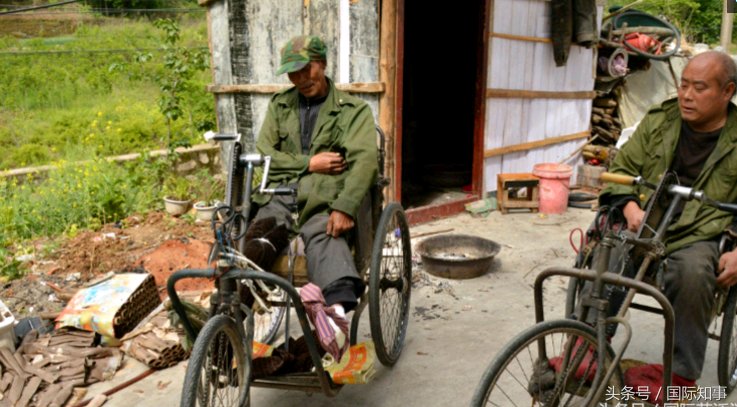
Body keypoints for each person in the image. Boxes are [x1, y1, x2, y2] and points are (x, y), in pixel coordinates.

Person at [573, 51, 737, 403]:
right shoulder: (661, 119)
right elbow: (621, 170)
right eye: (684, 85)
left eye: (700, 88)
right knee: (610, 248)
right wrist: (629, 205)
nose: (687, 95)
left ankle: (680, 375)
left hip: (701, 231)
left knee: (693, 272)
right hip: (648, 219)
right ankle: (587, 346)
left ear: (727, 92)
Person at [243, 35, 378, 357]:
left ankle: (335, 322)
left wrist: (345, 207)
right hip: (280, 195)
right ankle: (231, 317)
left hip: (324, 198)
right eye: (293, 73)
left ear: (323, 64)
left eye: (307, 69)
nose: (300, 79)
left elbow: (364, 164)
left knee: (325, 234)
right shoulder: (280, 105)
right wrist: (310, 163)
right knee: (255, 241)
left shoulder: (353, 111)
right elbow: (265, 156)